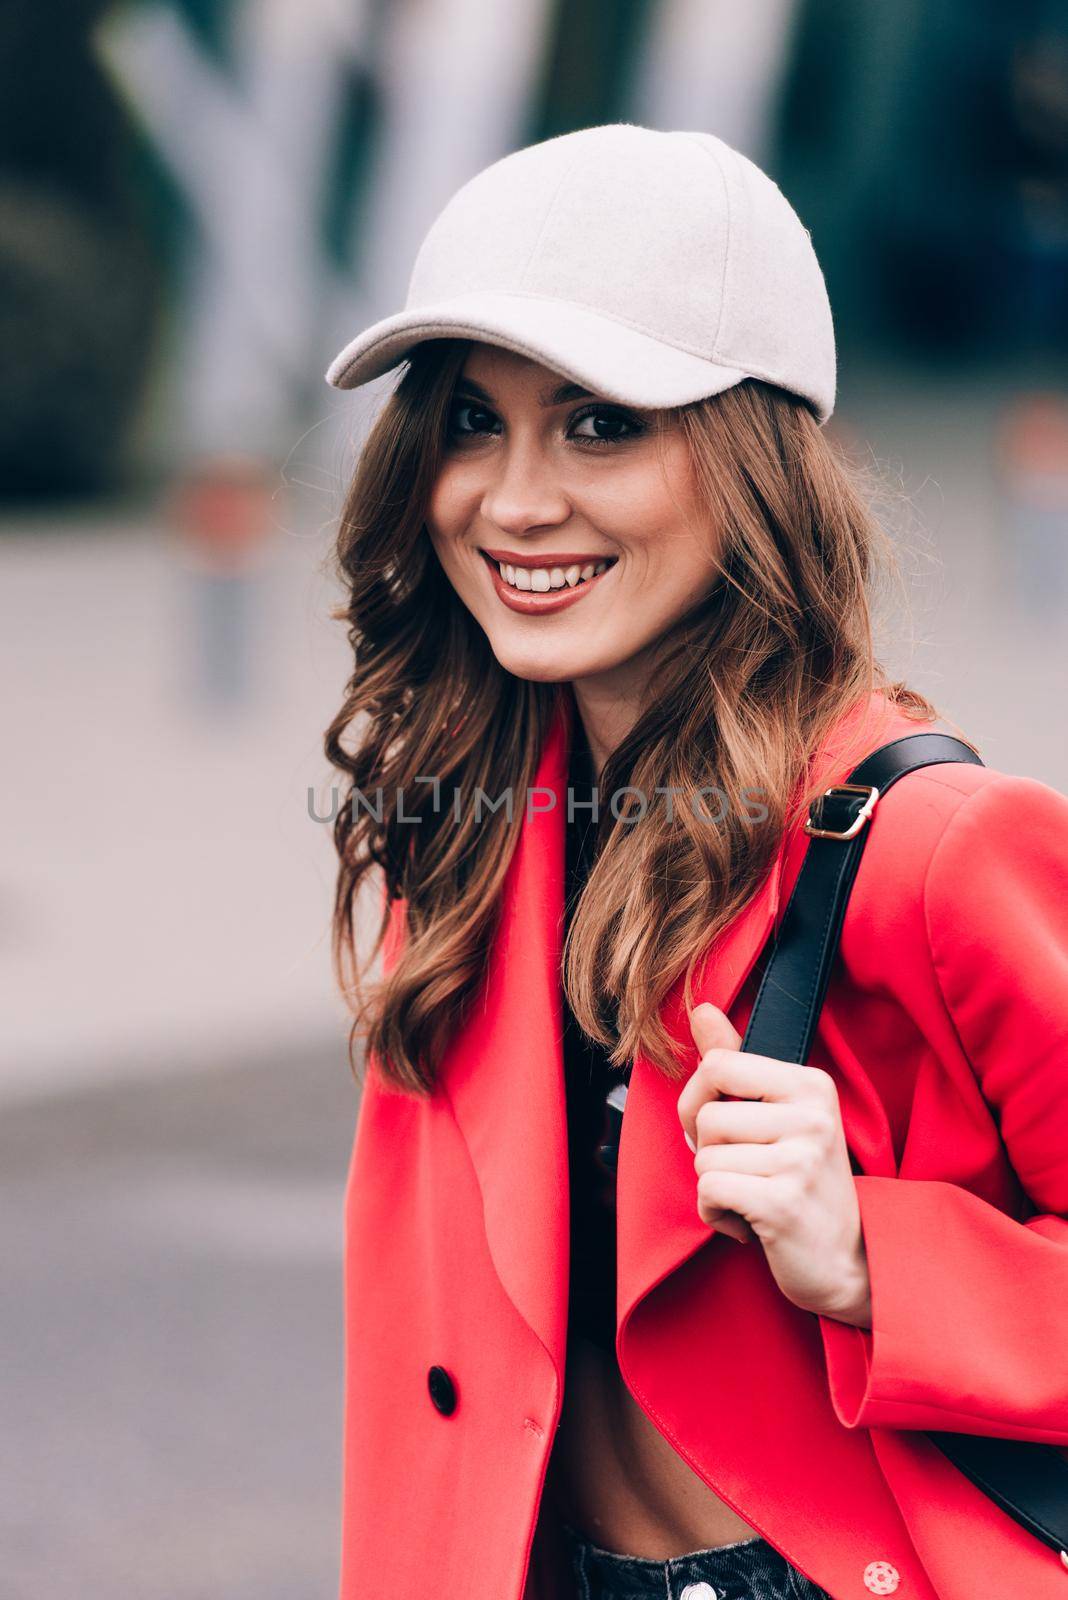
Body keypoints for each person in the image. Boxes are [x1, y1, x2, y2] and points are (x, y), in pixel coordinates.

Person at [321, 125, 1068, 1600]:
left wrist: (874, 1256)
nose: (515, 500)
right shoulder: (460, 848)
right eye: (473, 422)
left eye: (600, 424)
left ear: (751, 459)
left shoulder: (930, 845)